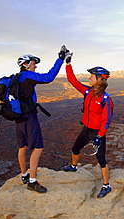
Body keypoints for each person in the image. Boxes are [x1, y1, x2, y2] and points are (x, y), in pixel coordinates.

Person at [16, 45, 69, 193]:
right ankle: (32, 182)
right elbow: (48, 77)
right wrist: (60, 59)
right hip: (29, 117)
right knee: (38, 148)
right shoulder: (27, 76)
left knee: (23, 146)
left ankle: (24, 175)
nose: (36, 66)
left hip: (19, 116)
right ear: (26, 65)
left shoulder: (18, 78)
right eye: (34, 64)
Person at [61, 52, 114, 198]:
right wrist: (68, 63)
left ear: (99, 79)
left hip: (97, 132)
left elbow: (107, 119)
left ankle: (106, 185)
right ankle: (73, 166)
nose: (89, 78)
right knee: (75, 148)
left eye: (91, 76)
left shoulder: (105, 99)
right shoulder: (87, 91)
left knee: (101, 160)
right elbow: (72, 80)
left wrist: (100, 136)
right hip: (86, 129)